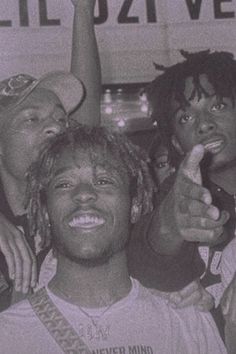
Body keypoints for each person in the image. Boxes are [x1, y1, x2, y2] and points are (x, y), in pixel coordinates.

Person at [0, 125, 226, 353]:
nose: (83, 194)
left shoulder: (184, 321)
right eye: (64, 184)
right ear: (46, 212)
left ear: (135, 206)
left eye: (104, 181)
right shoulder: (10, 335)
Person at [128, 49, 236, 337]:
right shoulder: (178, 194)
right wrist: (168, 228)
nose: (204, 124)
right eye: (186, 118)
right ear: (176, 144)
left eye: (218, 107)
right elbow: (145, 255)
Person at [0, 0, 100, 309]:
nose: (55, 129)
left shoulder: (76, 206)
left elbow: (88, 119)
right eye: (32, 119)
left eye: (60, 120)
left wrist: (83, 11)